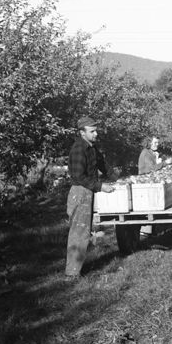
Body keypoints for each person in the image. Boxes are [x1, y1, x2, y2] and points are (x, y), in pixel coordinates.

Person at [66, 116, 115, 278]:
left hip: (88, 190)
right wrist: (101, 186)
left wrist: (116, 178)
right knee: (79, 233)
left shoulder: (91, 147)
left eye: (96, 131)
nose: (96, 134)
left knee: (85, 232)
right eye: (92, 131)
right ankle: (72, 274)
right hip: (80, 192)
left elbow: (102, 165)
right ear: (82, 133)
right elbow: (79, 176)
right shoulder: (79, 149)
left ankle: (76, 269)